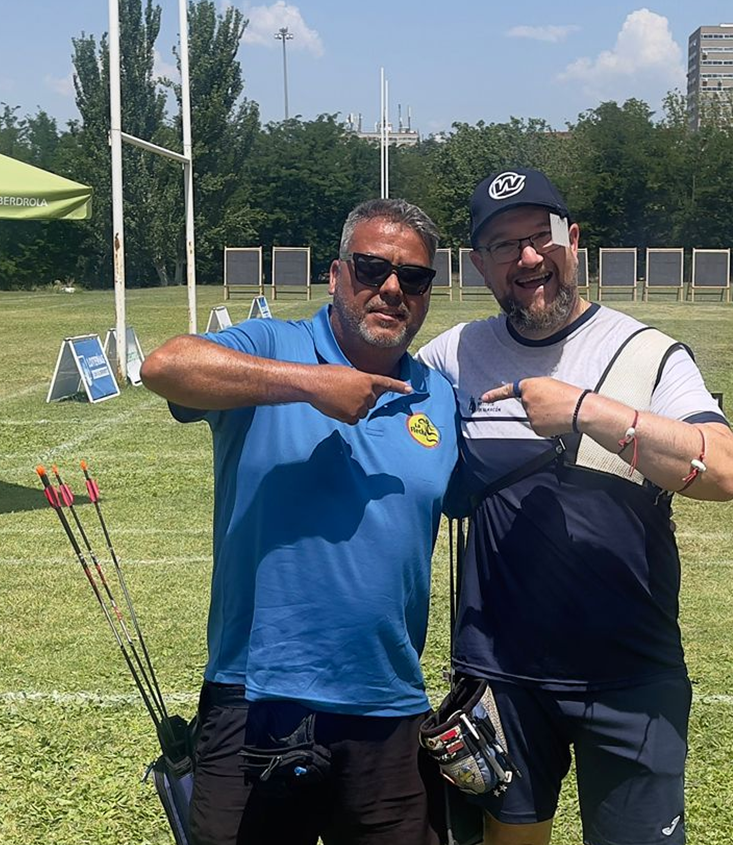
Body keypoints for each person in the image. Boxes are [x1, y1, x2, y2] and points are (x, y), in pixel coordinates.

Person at [416, 169, 733, 845]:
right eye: (503, 245)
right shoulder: (454, 354)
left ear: (573, 240)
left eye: (541, 236)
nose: (527, 257)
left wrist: (589, 411)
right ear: (478, 265)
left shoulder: (646, 353)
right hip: (501, 677)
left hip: (630, 674)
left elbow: (721, 471)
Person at [140, 198, 458, 845]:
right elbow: (164, 366)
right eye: (372, 268)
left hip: (387, 704)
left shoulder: (438, 395)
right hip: (254, 697)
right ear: (336, 275)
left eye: (413, 276)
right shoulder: (273, 344)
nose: (392, 288)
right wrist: (312, 383)